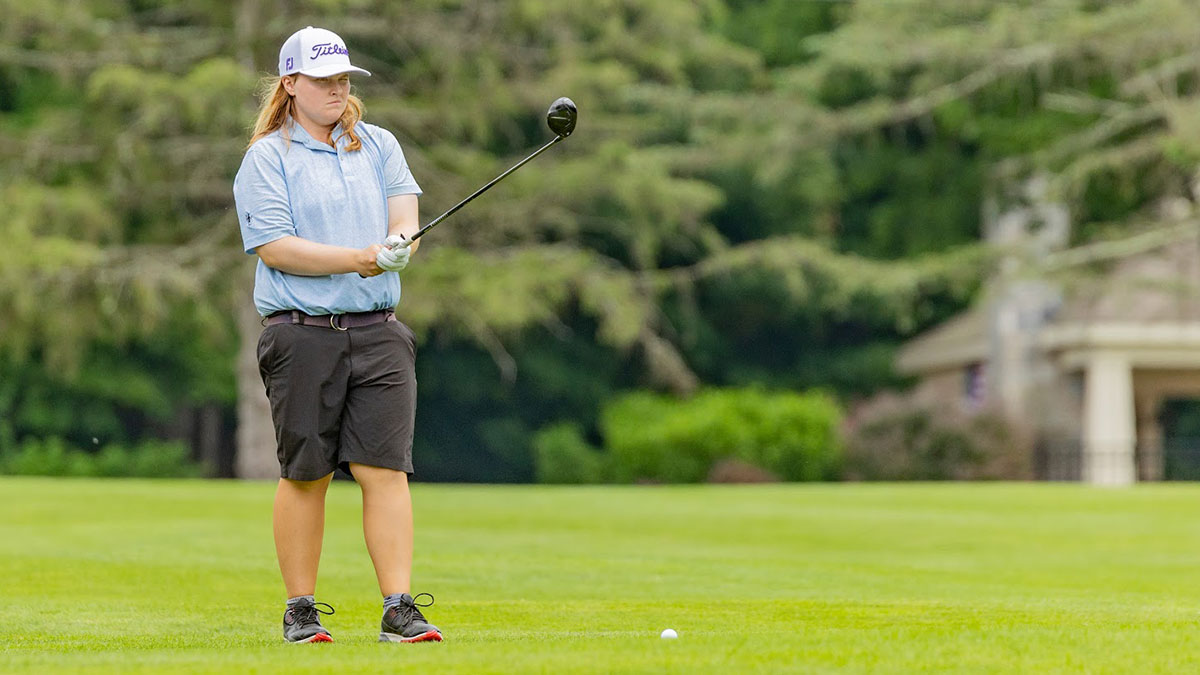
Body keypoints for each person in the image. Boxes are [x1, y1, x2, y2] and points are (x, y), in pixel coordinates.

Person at [233, 25, 442, 645]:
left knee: (386, 470)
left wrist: (401, 243)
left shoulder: (377, 145)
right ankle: (300, 608)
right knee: (307, 473)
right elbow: (276, 247)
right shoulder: (268, 157)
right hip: (301, 334)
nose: (336, 89)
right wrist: (358, 256)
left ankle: (399, 608)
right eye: (322, 80)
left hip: (379, 332)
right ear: (291, 84)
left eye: (343, 79)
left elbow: (405, 215)